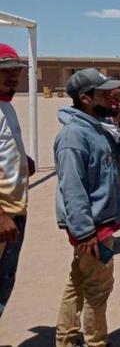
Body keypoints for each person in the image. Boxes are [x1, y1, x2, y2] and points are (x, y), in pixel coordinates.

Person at [54, 68, 120, 347]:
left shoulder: (99, 126)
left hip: (99, 220)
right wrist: (85, 230)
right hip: (93, 225)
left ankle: (65, 339)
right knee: (98, 288)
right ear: (85, 99)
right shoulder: (74, 136)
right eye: (104, 94)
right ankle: (95, 342)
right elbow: (72, 187)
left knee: (78, 280)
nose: (113, 99)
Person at [0, 44, 34, 318]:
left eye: (16, 71)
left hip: (15, 210)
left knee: (4, 279)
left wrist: (24, 161)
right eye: (5, 71)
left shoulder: (6, 106)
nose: (13, 77)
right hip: (3, 216)